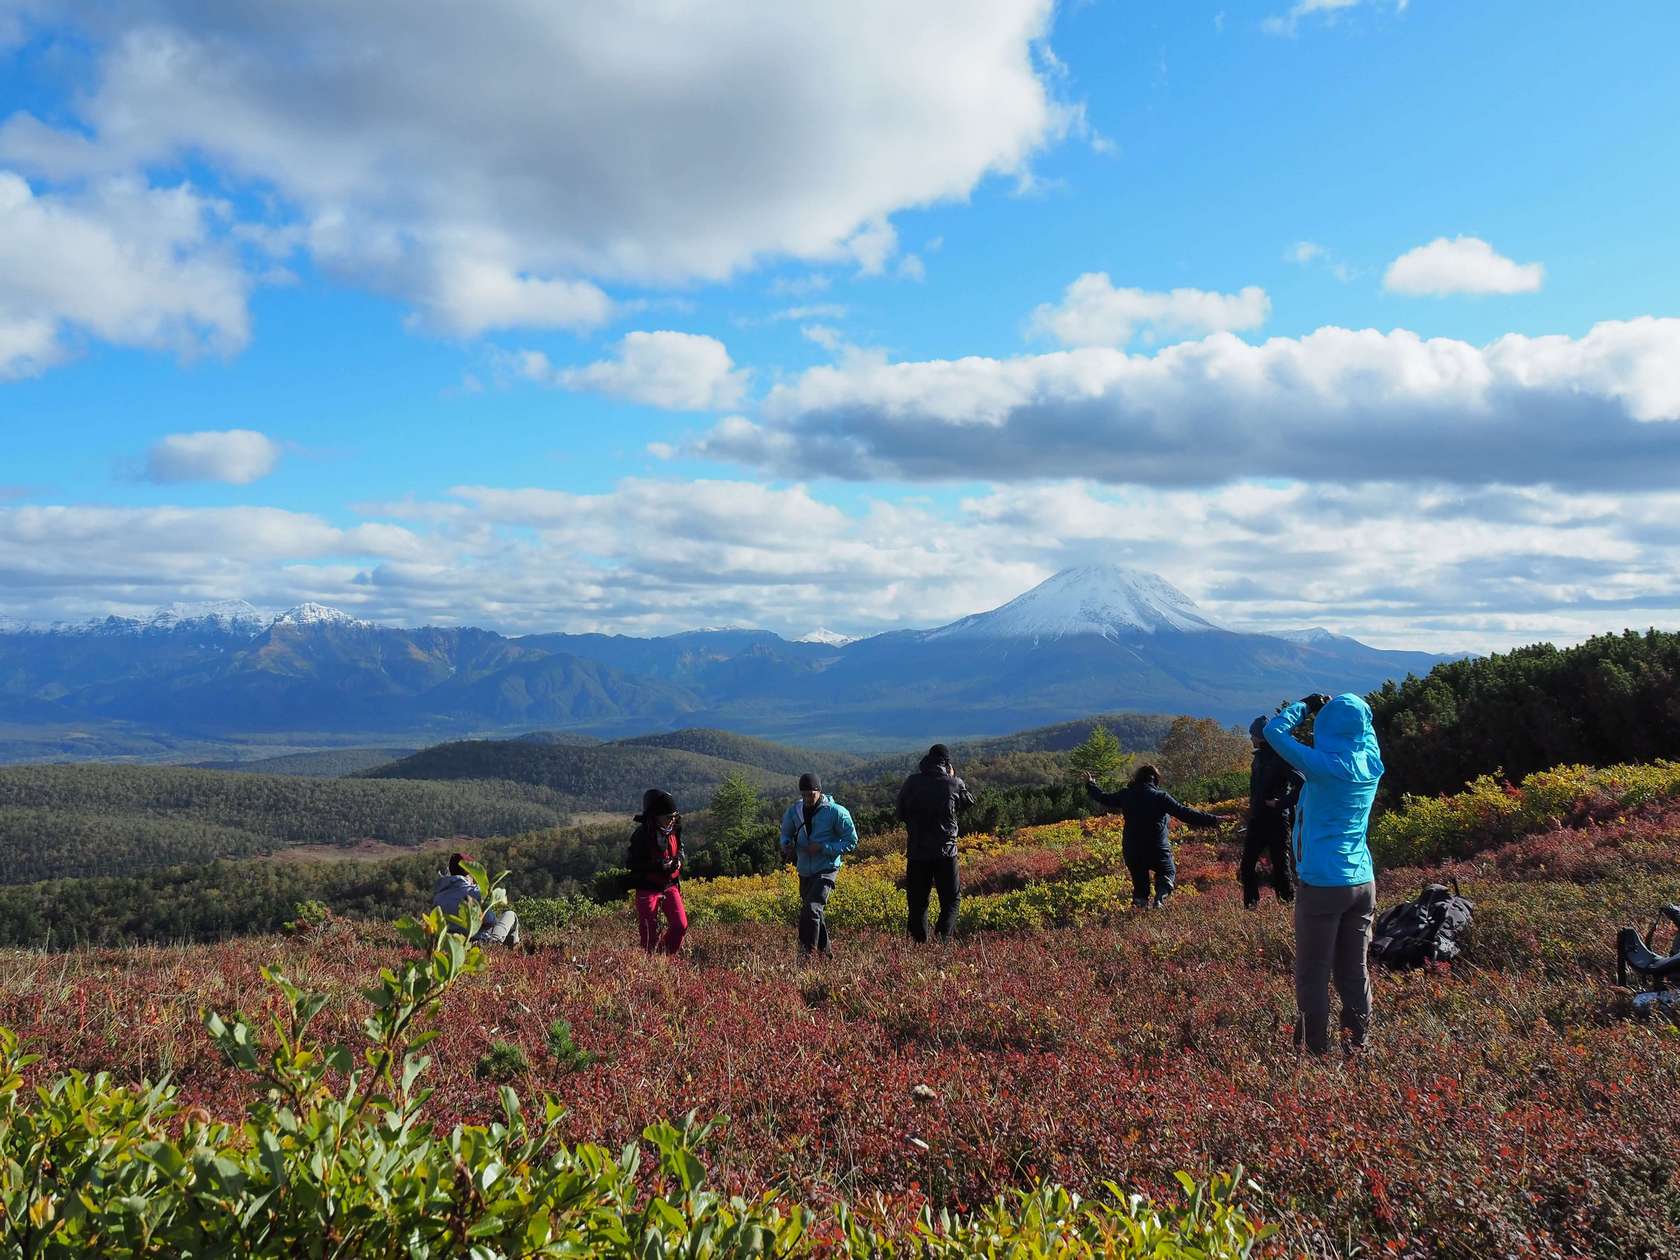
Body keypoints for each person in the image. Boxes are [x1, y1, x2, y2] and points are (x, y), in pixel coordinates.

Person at [1263, 693, 1385, 1055]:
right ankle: (1358, 1047)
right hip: (1363, 881)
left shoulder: (1321, 765)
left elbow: (1274, 731)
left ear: (1325, 727)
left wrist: (1305, 705)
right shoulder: (1372, 762)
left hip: (1321, 883)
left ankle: (1314, 1050)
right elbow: (1366, 730)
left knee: (1313, 971)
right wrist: (1350, 713)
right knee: (1354, 971)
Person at [1084, 764, 1223, 908]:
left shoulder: (1126, 794)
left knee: (1140, 887)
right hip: (1156, 848)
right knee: (1167, 872)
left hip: (1132, 850)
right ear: (1155, 779)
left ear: (1137, 779)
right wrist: (1213, 820)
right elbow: (1184, 813)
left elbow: (1103, 798)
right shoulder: (1160, 796)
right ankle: (1159, 898)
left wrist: (1091, 784)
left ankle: (1139, 911)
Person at [896, 744, 974, 942]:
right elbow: (968, 802)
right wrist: (953, 778)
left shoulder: (912, 782)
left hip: (917, 852)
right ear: (946, 763)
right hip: (946, 852)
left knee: (917, 902)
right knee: (951, 900)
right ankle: (942, 941)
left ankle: (918, 945)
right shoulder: (954, 783)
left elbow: (900, 812)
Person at [779, 772, 859, 958]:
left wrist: (824, 847)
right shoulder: (794, 810)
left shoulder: (836, 812)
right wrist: (786, 844)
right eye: (804, 794)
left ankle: (806, 957)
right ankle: (827, 956)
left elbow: (851, 841)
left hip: (827, 868)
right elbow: (785, 832)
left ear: (819, 791)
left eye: (811, 795)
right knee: (815, 913)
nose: (807, 799)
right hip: (804, 870)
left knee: (811, 909)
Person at [1242, 714, 1303, 909]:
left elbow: (1301, 784)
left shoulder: (1280, 758)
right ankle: (1251, 906)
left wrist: (1280, 803)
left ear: (1260, 736)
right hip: (1258, 820)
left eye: (1252, 734)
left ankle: (1286, 905)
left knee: (1280, 866)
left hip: (1277, 820)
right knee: (1247, 866)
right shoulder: (1258, 758)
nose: (1250, 738)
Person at [626, 788, 687, 954]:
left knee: (680, 925)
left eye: (674, 816)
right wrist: (659, 866)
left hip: (669, 885)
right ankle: (651, 963)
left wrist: (679, 861)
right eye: (668, 817)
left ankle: (664, 956)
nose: (672, 820)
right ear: (655, 816)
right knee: (648, 932)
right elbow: (632, 864)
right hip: (647, 887)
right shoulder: (641, 836)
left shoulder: (675, 830)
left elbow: (680, 850)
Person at [431, 850, 521, 946]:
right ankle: (508, 952)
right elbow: (490, 921)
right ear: (470, 873)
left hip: (451, 944)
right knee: (510, 915)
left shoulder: (439, 896)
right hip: (478, 943)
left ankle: (506, 955)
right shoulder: (475, 893)